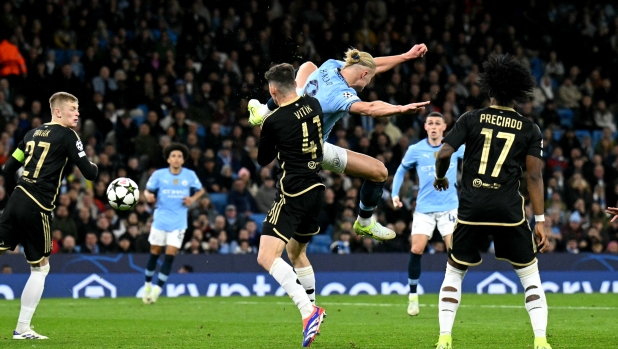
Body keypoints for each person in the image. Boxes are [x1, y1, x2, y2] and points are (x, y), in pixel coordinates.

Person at [248, 45, 429, 242]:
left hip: (292, 124)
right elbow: (370, 108)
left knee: (308, 66)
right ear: (363, 74)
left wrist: (405, 56)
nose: (368, 84)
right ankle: (365, 222)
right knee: (380, 172)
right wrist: (400, 109)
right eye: (369, 79)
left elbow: (372, 64)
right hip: (310, 148)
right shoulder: (340, 95)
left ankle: (264, 111)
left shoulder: (331, 65)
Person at [432, 54, 551, 349]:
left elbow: (444, 154)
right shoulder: (529, 128)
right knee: (530, 276)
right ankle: (540, 340)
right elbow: (534, 177)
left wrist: (440, 177)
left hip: (472, 207)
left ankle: (444, 337)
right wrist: (541, 221)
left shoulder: (471, 118)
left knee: (454, 271)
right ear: (518, 94)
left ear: (490, 90)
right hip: (509, 210)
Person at [0, 92, 98, 339]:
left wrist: (19, 194)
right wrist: (95, 166)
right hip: (38, 206)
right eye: (73, 109)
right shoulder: (68, 136)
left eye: (77, 109)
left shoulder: (31, 134)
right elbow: (89, 173)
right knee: (40, 269)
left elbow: (8, 168)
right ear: (57, 111)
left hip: (16, 199)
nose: (77, 113)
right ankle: (22, 328)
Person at [255, 63, 325, 347]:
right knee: (296, 253)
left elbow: (263, 160)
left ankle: (309, 313)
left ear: (273, 90)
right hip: (316, 188)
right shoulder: (313, 103)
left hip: (293, 191)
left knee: (266, 256)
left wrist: (262, 123)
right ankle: (310, 318)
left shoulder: (274, 121)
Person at [391, 112, 464, 316]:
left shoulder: (453, 148)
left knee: (454, 251)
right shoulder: (416, 149)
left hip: (449, 207)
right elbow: (400, 170)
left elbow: (475, 159)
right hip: (424, 208)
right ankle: (413, 296)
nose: (433, 126)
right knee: (417, 248)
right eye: (430, 123)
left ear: (444, 127)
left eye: (437, 123)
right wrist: (395, 193)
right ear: (425, 127)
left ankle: (452, 291)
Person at [141, 143, 205, 304]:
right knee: (155, 252)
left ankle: (157, 290)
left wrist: (192, 199)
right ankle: (147, 285)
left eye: (179, 156)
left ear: (183, 160)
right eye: (173, 156)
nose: (176, 159)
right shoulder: (159, 174)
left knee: (170, 255)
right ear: (168, 159)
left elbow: (201, 190)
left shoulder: (189, 175)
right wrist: (148, 196)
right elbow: (147, 190)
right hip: (160, 219)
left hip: (178, 222)